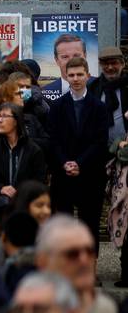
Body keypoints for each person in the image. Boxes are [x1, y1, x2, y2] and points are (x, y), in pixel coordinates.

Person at [47, 58, 110, 243]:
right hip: (63, 174)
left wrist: (80, 163)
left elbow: (100, 142)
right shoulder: (57, 106)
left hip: (90, 174)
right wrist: (65, 163)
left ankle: (89, 269)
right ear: (65, 76)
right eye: (71, 75)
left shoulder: (99, 107)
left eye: (79, 74)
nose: (75, 78)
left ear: (88, 76)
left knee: (89, 225)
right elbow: (53, 140)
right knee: (62, 227)